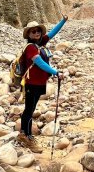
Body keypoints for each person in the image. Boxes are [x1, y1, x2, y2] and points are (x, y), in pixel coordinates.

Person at [17, 15, 67, 153]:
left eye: (38, 30)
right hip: (31, 83)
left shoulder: (40, 43)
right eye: (33, 31)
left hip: (39, 83)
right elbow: (39, 62)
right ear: (28, 34)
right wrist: (56, 72)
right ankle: (25, 135)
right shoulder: (31, 48)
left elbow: (52, 33)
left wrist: (63, 20)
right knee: (29, 109)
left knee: (31, 108)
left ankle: (25, 134)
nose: (37, 33)